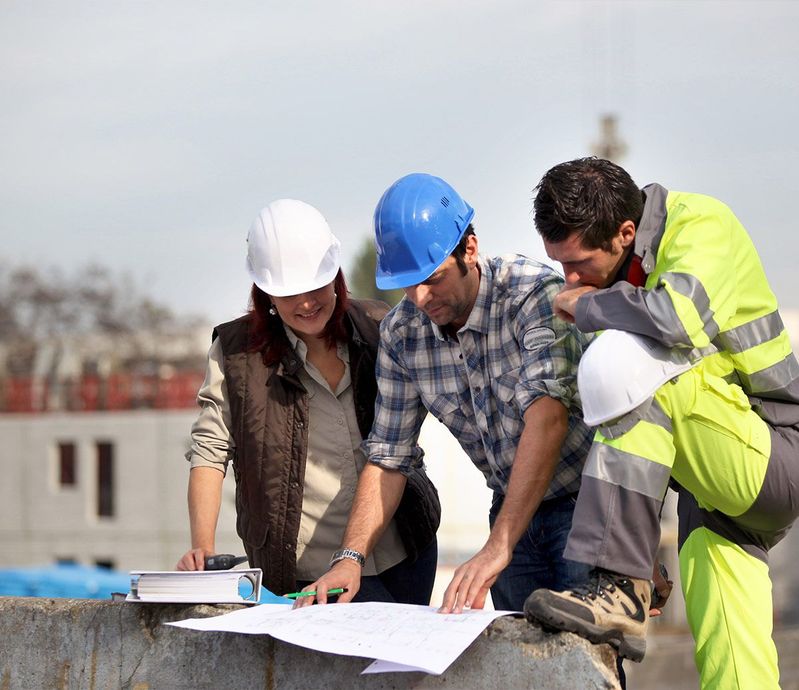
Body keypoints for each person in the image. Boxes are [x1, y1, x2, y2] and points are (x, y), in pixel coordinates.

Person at [524, 157, 799, 689]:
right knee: (733, 659)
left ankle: (619, 589)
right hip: (712, 494)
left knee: (630, 368)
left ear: (627, 232)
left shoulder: (702, 225)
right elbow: (624, 443)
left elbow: (676, 319)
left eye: (579, 263)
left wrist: (590, 306)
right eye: (561, 266)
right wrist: (641, 544)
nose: (569, 281)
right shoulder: (625, 274)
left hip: (776, 453)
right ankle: (625, 579)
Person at [298, 173, 594, 613]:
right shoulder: (403, 334)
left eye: (432, 279)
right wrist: (350, 558)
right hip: (510, 508)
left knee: (589, 667)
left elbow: (547, 418)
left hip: (586, 506)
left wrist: (498, 545)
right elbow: (388, 459)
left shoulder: (532, 295)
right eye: (407, 284)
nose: (419, 298)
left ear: (469, 250)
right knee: (526, 665)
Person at [176, 198, 440, 604]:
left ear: (336, 274)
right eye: (288, 293)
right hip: (309, 570)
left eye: (315, 285)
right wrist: (202, 548)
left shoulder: (378, 327)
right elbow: (210, 452)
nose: (305, 303)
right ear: (264, 292)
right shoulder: (235, 354)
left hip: (404, 549)